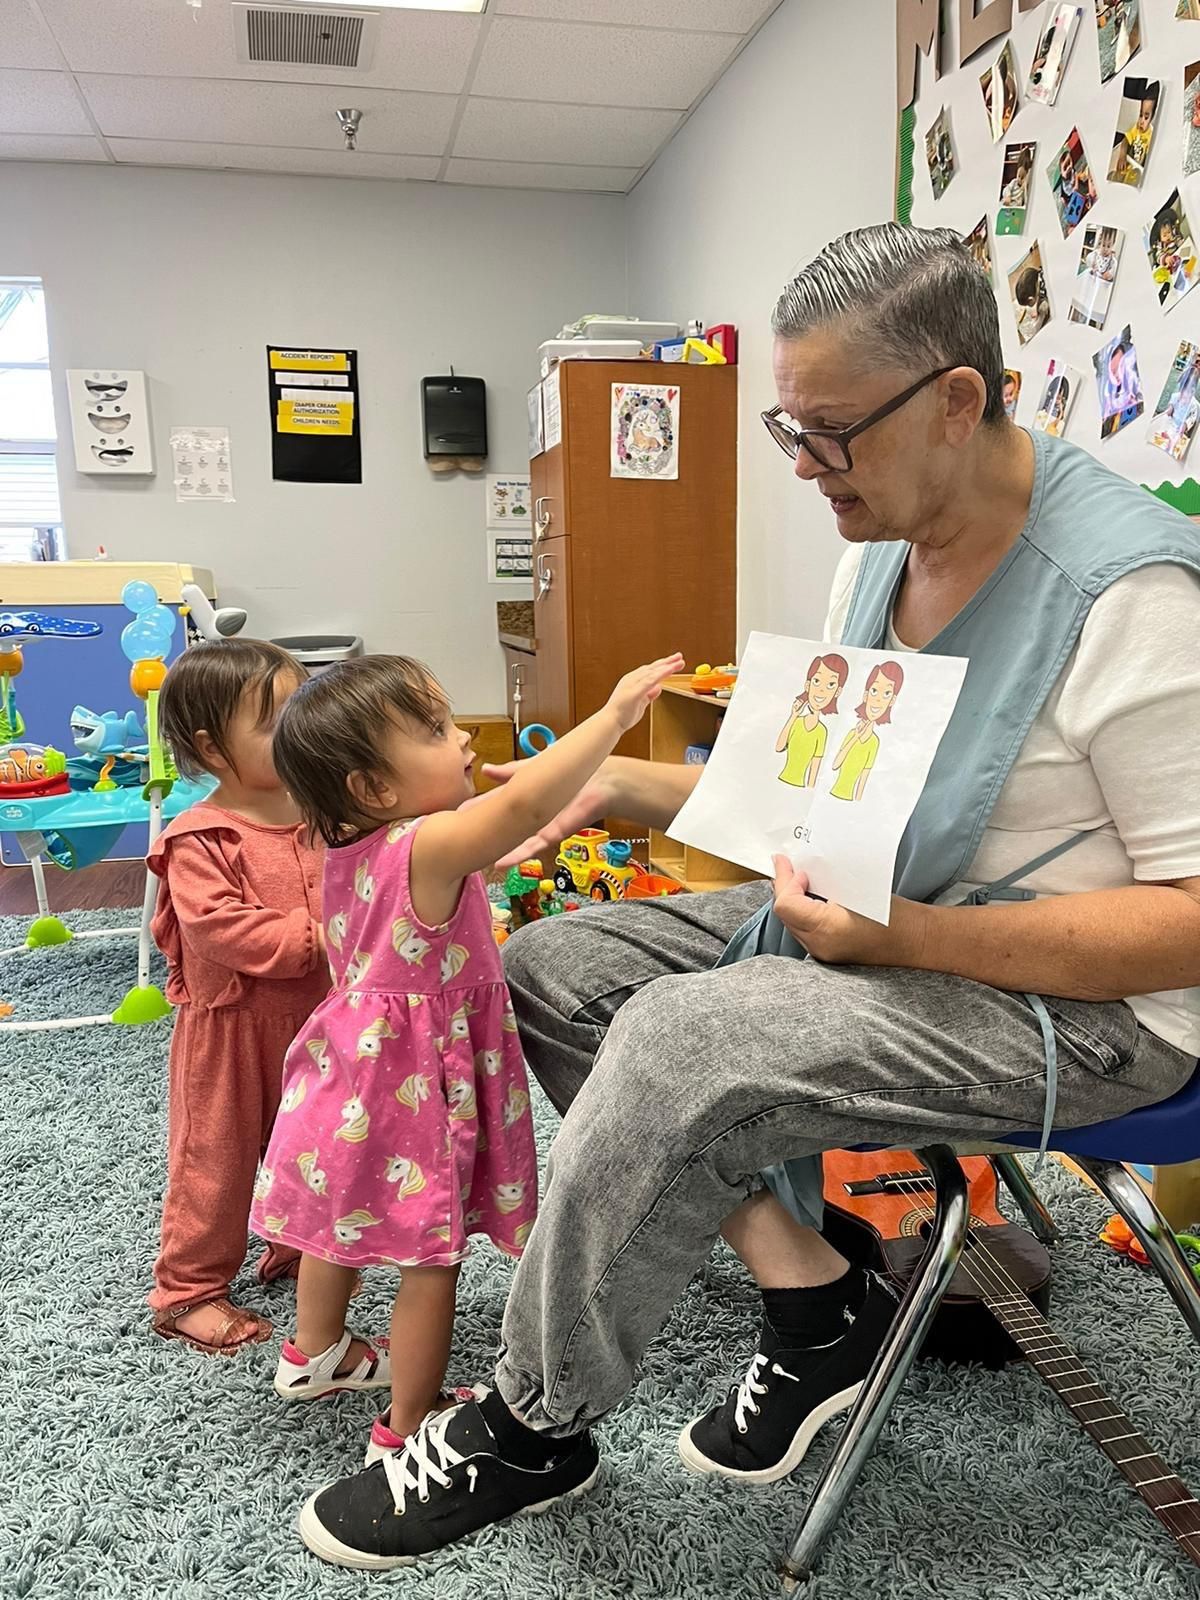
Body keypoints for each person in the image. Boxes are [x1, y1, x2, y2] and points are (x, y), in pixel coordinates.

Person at [294, 224, 1200, 1573]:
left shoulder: (1134, 598)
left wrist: (910, 937)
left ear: (958, 402)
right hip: (894, 920)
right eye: (790, 423)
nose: (800, 465)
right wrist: (619, 789)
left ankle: (533, 1425)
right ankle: (813, 1296)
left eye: (830, 433)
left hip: (1100, 1012)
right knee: (554, 966)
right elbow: (814, 795)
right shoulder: (876, 551)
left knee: (683, 1035)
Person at [252, 649, 682, 1473]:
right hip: (414, 1085)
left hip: (350, 1076)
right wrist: (617, 715)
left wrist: (515, 852)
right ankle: (408, 1420)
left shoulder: (357, 849)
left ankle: (314, 1352)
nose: (463, 741)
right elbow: (520, 803)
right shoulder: (427, 847)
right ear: (375, 789)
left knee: (340, 1225)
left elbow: (465, 875)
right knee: (430, 1253)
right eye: (436, 731)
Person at [147, 639, 327, 1353]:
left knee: (314, 1144)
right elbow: (221, 928)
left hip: (320, 1025)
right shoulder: (202, 836)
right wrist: (320, 937)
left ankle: (297, 1245)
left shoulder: (324, 815)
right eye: (276, 720)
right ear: (212, 748)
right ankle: (187, 1288)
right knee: (214, 1161)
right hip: (229, 1033)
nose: (301, 733)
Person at [829, 661, 903, 802]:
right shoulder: (852, 733)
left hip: (849, 802)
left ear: (892, 701)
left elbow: (863, 779)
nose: (878, 699)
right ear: (866, 695)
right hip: (832, 793)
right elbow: (835, 765)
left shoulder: (874, 742)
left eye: (886, 693)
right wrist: (856, 737)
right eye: (874, 691)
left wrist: (857, 804)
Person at [775, 654, 847, 787]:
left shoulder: (822, 731)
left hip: (800, 789)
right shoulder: (796, 721)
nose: (821, 690)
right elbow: (779, 747)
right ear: (808, 685)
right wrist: (793, 716)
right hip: (780, 781)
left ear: (837, 692)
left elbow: (815, 768)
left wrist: (809, 791)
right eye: (817, 681)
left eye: (830, 684)